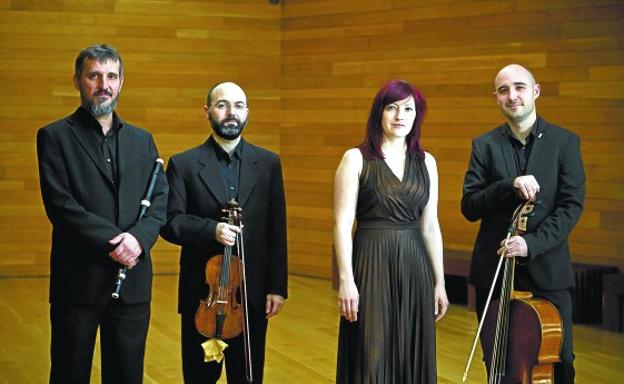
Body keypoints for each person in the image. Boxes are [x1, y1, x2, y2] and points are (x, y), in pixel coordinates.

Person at [36, 44, 168, 384]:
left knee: (127, 376)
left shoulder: (143, 140)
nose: (103, 84)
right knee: (69, 374)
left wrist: (137, 241)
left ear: (121, 83)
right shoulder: (54, 137)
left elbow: (159, 200)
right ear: (78, 81)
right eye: (94, 75)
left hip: (133, 280)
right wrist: (116, 242)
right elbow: (61, 206)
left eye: (111, 76)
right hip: (78, 282)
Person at [461, 64, 585, 383]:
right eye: (503, 90)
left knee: (561, 360)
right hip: (496, 272)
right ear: (496, 98)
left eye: (519, 87)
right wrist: (506, 185)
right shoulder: (484, 145)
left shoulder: (565, 142)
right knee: (499, 362)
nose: (512, 95)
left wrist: (531, 244)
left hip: (548, 270)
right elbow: (470, 206)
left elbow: (571, 206)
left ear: (535, 92)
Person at [160, 81, 287, 384]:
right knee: (199, 377)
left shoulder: (268, 163)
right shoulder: (184, 164)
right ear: (207, 112)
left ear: (247, 112)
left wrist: (277, 286)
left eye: (239, 105)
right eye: (222, 105)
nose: (231, 112)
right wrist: (211, 230)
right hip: (202, 296)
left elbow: (276, 229)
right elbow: (170, 222)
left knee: (247, 377)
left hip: (250, 293)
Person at [334, 80, 449, 383]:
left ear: (417, 116)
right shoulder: (356, 159)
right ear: (379, 114)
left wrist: (440, 282)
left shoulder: (427, 163)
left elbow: (431, 225)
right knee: (370, 352)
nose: (400, 115)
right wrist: (347, 280)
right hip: (371, 262)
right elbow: (343, 224)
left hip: (415, 265)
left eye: (408, 109)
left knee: (412, 351)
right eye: (392, 107)